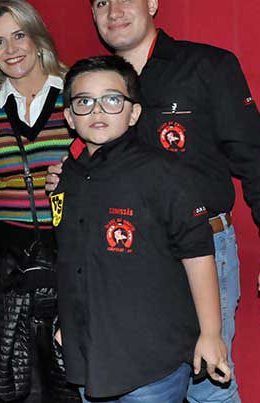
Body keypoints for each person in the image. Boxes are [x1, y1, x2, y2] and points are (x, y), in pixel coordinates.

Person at [48, 0, 260, 402]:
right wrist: (66, 179)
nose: (114, 11)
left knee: (208, 383)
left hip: (202, 250)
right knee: (130, 379)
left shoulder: (207, 67)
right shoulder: (96, 86)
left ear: (151, 2)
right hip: (122, 258)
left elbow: (254, 159)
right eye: (102, 2)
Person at [52, 55, 230, 402]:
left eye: (112, 99)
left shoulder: (164, 174)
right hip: (89, 353)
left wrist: (211, 333)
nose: (97, 110)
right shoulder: (66, 177)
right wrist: (66, 324)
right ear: (70, 117)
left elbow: (198, 255)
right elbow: (71, 259)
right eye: (84, 102)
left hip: (151, 359)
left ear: (133, 113)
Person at [0, 0, 80, 402]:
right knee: (7, 373)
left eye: (19, 35)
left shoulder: (77, 93)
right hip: (3, 258)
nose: (11, 49)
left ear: (37, 38)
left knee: (64, 369)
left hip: (67, 250)